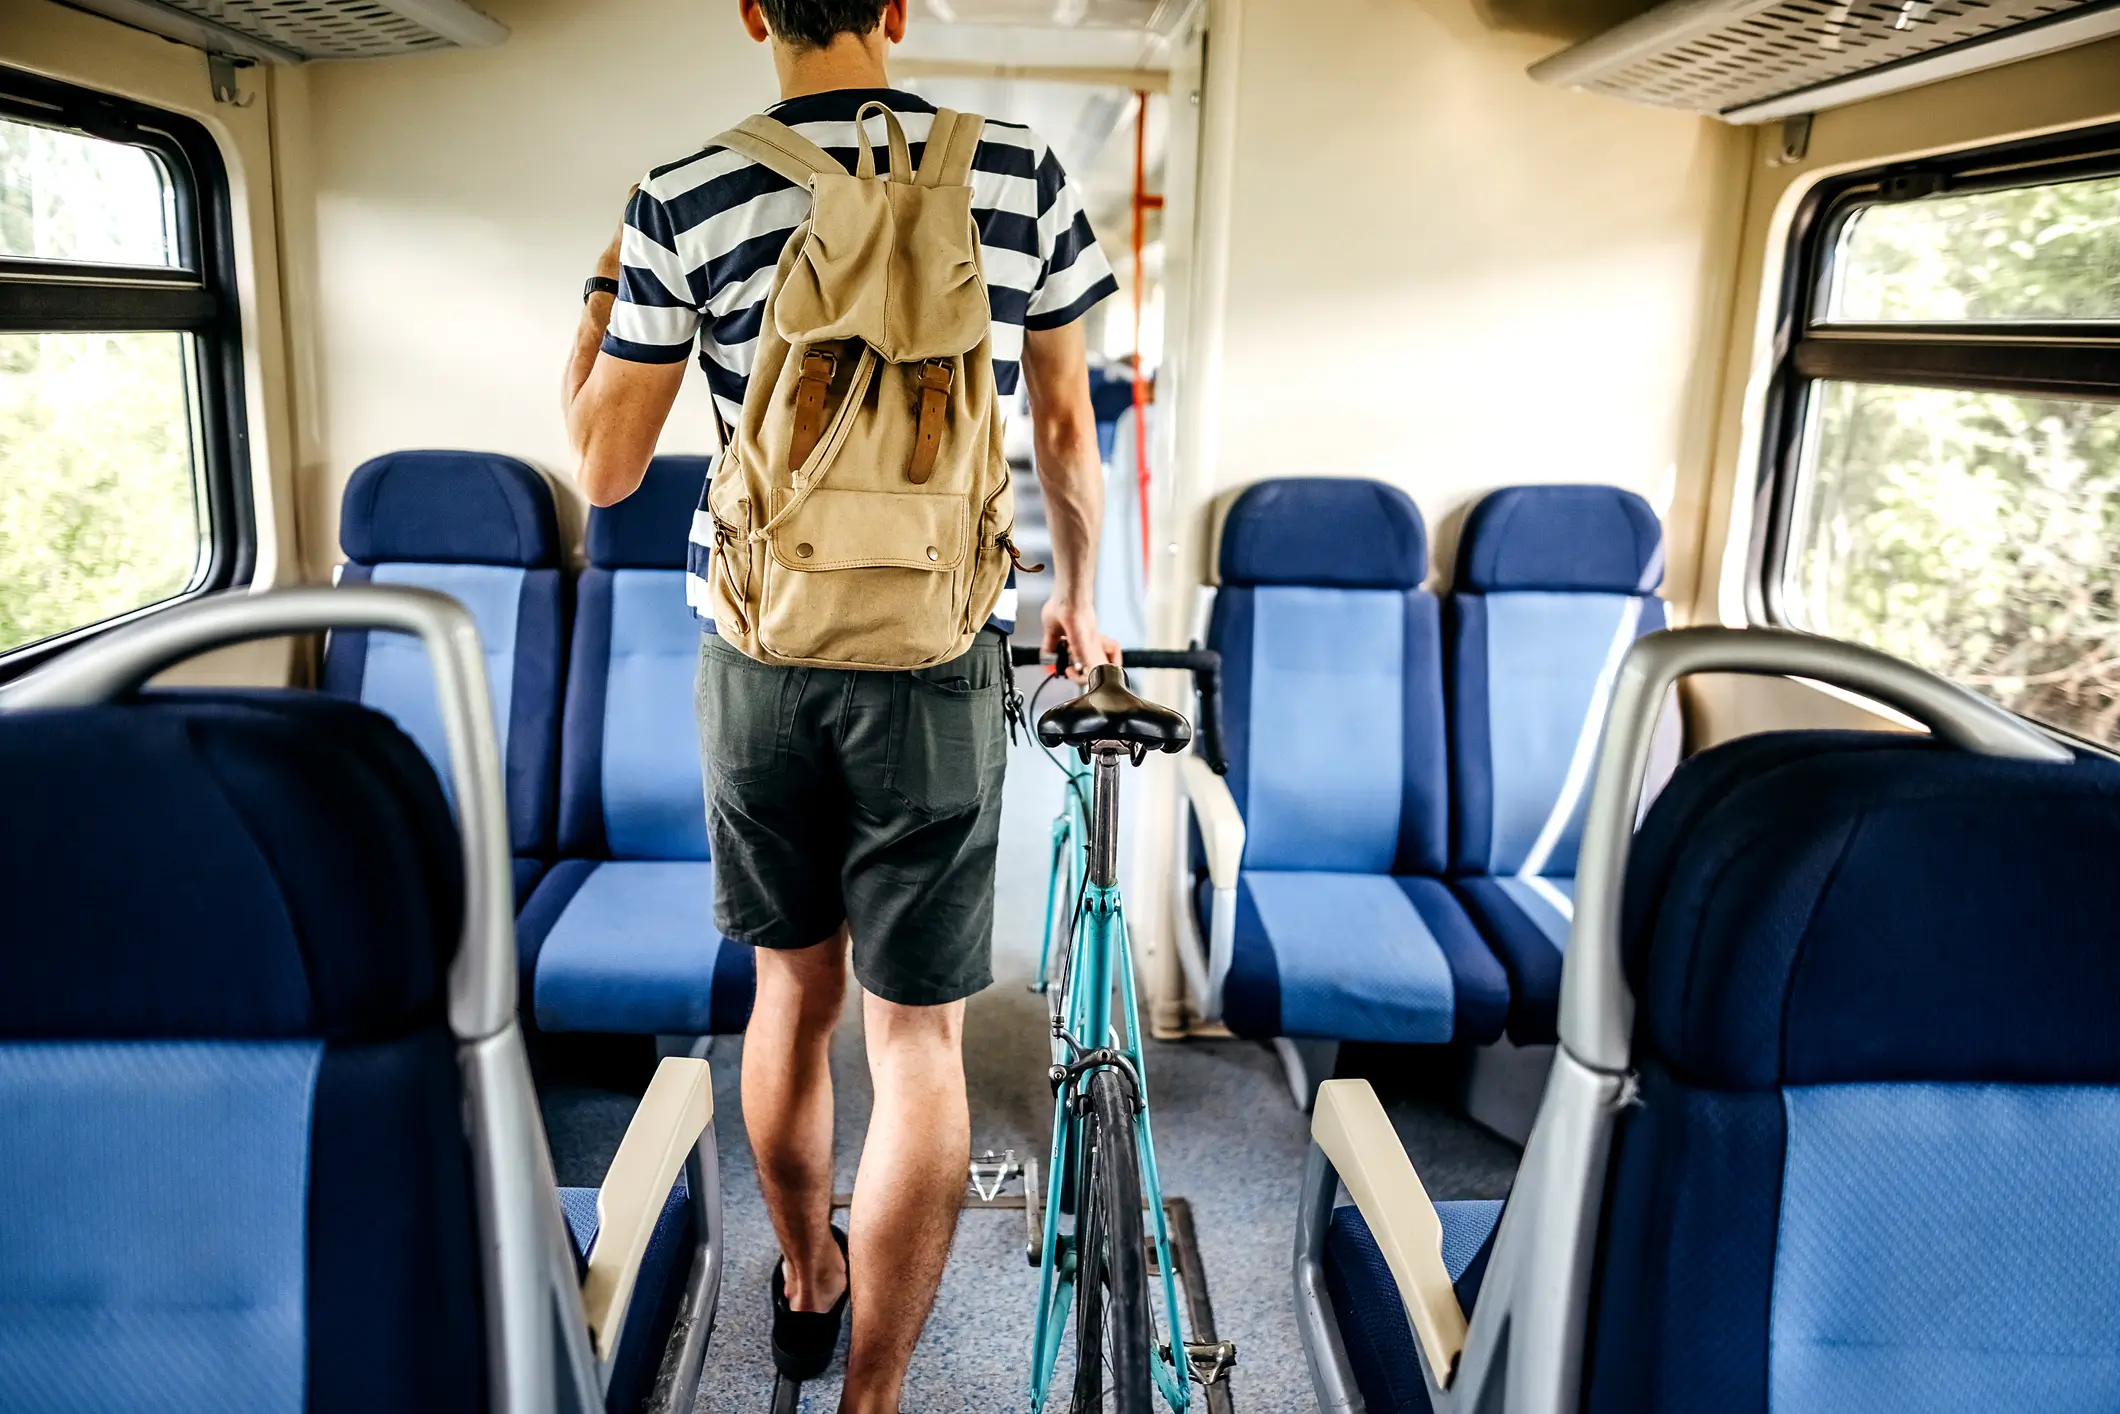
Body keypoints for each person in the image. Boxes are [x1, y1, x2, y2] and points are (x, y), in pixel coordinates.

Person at [559, 2, 1121, 1408]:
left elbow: (603, 469)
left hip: (762, 654)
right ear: (898, 10)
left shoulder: (686, 189)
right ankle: (873, 1395)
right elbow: (1062, 423)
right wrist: (1081, 596)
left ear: (755, 10)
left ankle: (812, 1284)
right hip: (939, 652)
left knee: (790, 999)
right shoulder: (1022, 173)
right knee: (918, 1035)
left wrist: (600, 289)